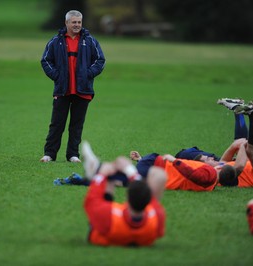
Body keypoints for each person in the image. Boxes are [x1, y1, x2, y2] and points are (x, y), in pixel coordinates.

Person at [40, 10, 106, 163]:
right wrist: (57, 76)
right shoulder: (56, 41)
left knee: (76, 126)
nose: (77, 25)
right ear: (67, 23)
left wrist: (88, 74)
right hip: (62, 90)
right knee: (57, 124)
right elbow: (45, 61)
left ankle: (73, 155)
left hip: (83, 90)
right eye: (74, 22)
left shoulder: (90, 41)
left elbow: (100, 60)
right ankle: (49, 154)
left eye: (79, 22)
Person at [82, 141, 166, 246]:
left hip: (103, 229)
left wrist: (102, 173)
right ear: (148, 201)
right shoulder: (156, 217)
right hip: (141, 234)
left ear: (127, 197)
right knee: (159, 175)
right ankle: (99, 168)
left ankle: (97, 168)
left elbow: (92, 200)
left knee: (109, 179)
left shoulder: (108, 214)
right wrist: (130, 171)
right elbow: (147, 190)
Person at [216, 99, 253, 188]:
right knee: (251, 149)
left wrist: (235, 145)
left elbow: (224, 161)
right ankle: (252, 113)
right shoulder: (223, 179)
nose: (210, 158)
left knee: (240, 142)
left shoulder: (217, 168)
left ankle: (237, 107)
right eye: (207, 159)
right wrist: (242, 146)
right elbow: (239, 166)